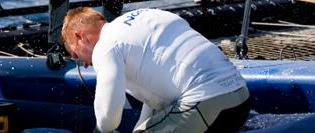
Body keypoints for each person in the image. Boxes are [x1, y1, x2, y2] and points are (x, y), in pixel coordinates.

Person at [62, 7, 250, 133]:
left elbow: (108, 120)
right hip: (240, 99)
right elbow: (155, 98)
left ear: (81, 37)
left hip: (205, 104)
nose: (84, 64)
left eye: (76, 55)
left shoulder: (106, 47)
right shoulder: (147, 16)